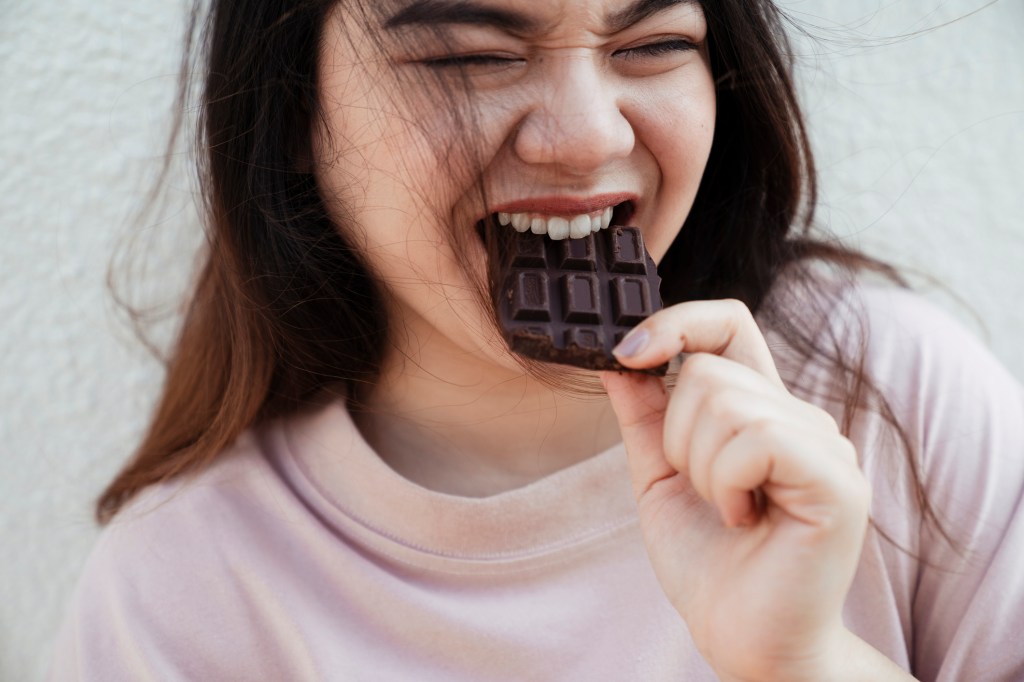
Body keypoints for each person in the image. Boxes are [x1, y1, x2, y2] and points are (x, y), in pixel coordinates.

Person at [49, 0, 1024, 680]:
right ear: (293, 106)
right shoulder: (181, 594)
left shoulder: (891, 397)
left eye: (650, 42)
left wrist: (806, 663)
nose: (587, 135)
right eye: (470, 53)